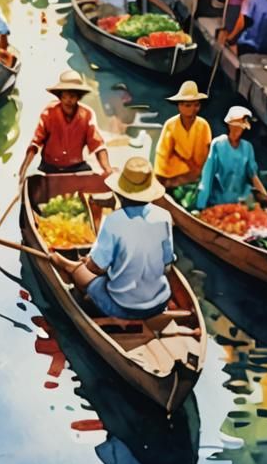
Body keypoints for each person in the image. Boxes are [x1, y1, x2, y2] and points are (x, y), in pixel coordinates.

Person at [50, 158, 174, 320]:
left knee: (83, 273)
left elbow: (95, 268)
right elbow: (167, 263)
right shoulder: (164, 216)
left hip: (123, 307)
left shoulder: (114, 221)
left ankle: (65, 265)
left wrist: (89, 261)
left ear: (119, 193)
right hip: (160, 301)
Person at [20, 69, 111, 178]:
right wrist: (24, 167)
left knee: (92, 180)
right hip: (49, 166)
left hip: (76, 166)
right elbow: (35, 143)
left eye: (72, 96)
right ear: (60, 97)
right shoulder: (49, 113)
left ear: (78, 97)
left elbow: (98, 145)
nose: (68, 100)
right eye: (65, 96)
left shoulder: (86, 115)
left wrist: (107, 169)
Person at [196, 106, 266, 209]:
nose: (238, 129)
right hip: (220, 199)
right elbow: (208, 175)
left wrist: (266, 196)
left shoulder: (247, 147)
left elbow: (253, 175)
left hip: (242, 198)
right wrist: (201, 205)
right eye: (235, 126)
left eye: (241, 127)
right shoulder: (218, 144)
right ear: (229, 125)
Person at [154, 80, 212, 186]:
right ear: (180, 106)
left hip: (196, 174)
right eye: (188, 105)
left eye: (196, 105)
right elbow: (162, 156)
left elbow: (205, 155)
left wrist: (198, 172)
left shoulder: (203, 125)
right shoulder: (170, 125)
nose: (193, 109)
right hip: (172, 174)